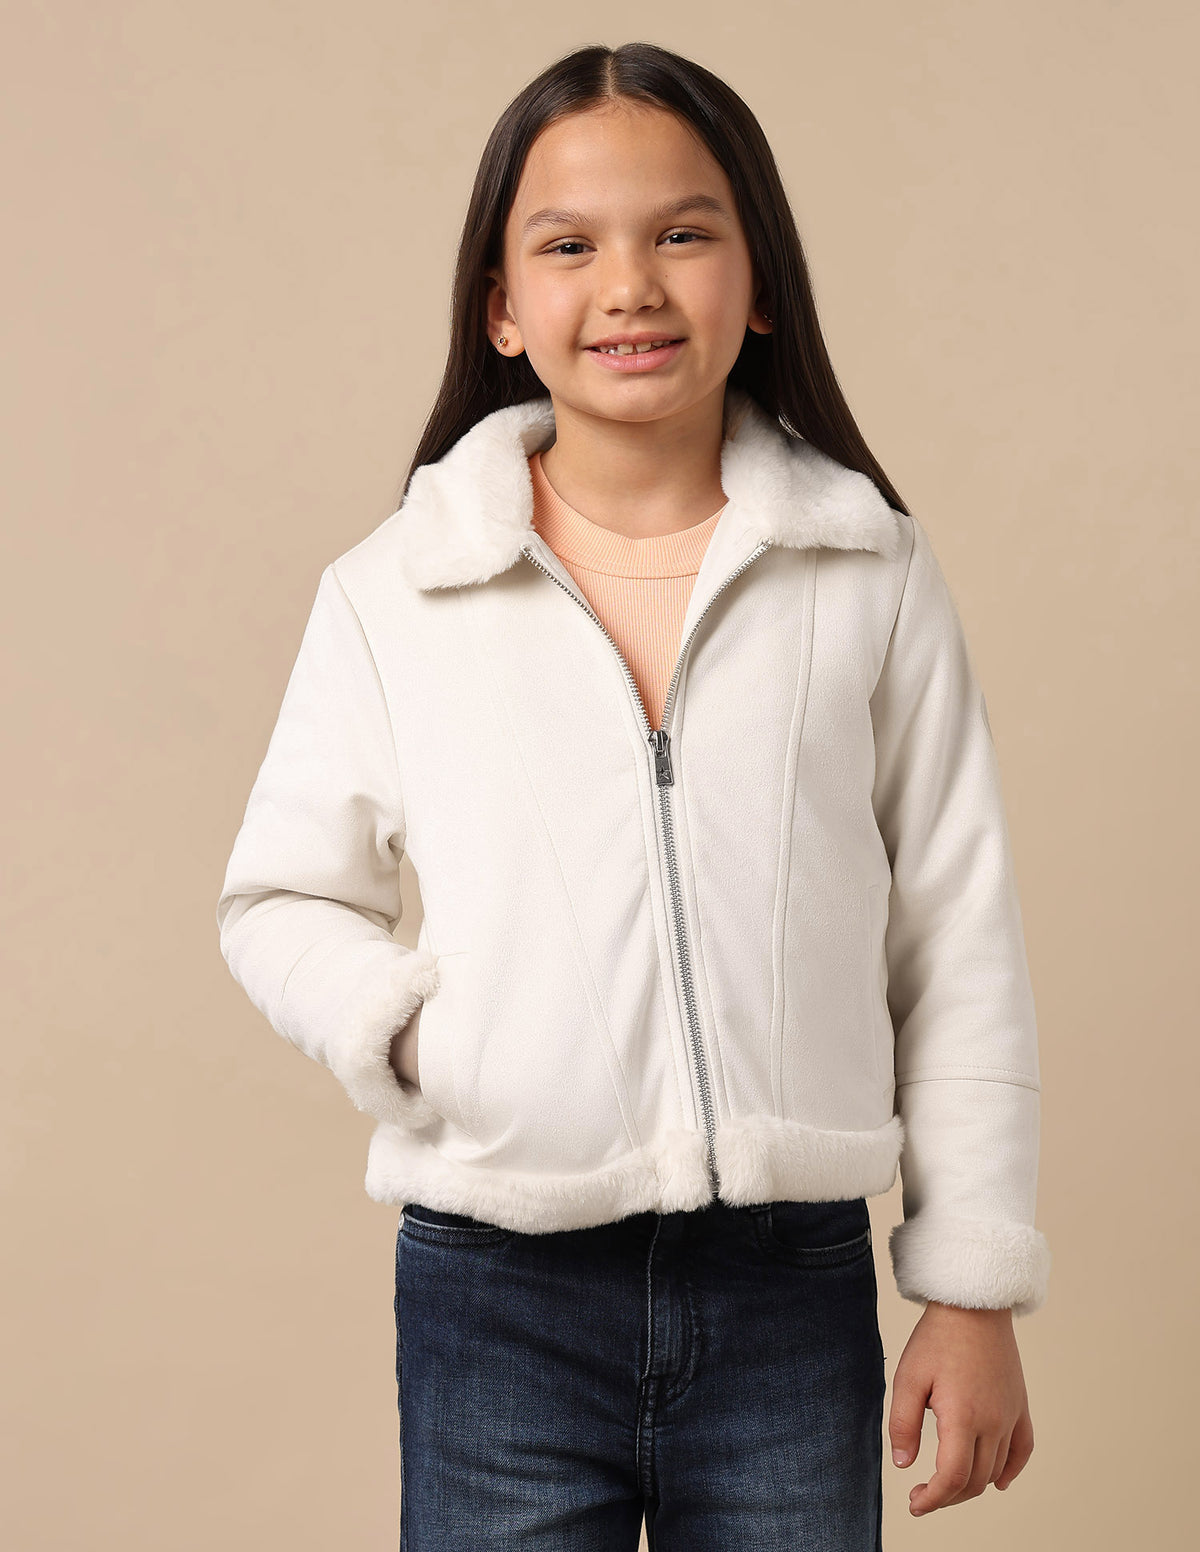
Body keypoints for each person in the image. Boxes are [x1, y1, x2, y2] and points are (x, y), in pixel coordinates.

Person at [216, 40, 1050, 1548]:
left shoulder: (866, 570)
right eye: (568, 246)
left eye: (682, 233)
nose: (631, 287)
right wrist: (422, 1030)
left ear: (762, 279)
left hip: (789, 1287)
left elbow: (956, 931)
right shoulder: (396, 592)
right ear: (500, 307)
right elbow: (279, 897)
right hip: (497, 1285)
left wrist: (971, 1286)